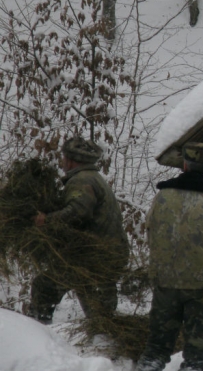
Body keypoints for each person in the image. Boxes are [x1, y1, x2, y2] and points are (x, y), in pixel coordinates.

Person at [135, 142, 203, 371]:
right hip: (202, 284)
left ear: (184, 164)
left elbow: (150, 228)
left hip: (166, 279)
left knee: (156, 347)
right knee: (197, 352)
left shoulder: (163, 195)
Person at [29, 137, 130, 323]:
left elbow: (78, 212)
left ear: (71, 160)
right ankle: (107, 334)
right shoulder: (94, 178)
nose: (62, 161)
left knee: (44, 287)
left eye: (64, 157)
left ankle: (38, 334)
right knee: (98, 307)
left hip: (92, 256)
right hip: (106, 253)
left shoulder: (81, 180)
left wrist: (46, 220)